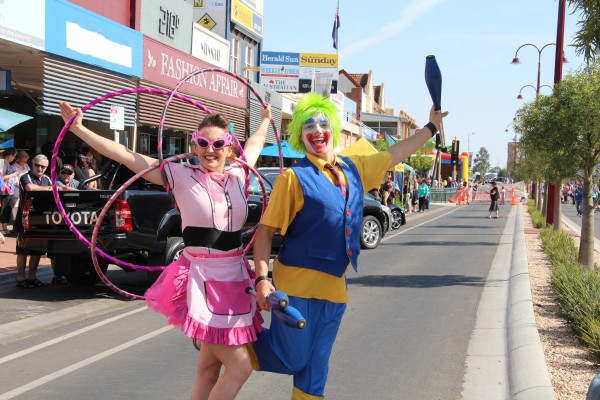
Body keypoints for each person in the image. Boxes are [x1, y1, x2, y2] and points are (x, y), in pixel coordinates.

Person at [60, 100, 271, 399]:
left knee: (209, 371)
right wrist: (79, 129)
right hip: (203, 278)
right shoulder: (179, 174)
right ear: (194, 145)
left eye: (217, 143)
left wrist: (265, 120)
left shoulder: (240, 172)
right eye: (203, 143)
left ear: (229, 147)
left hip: (236, 278)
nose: (210, 150)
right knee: (240, 368)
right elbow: (124, 154)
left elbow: (255, 143)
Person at [249, 93, 447, 399]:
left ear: (333, 129)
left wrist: (430, 128)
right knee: (292, 359)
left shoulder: (354, 168)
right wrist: (262, 279)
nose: (317, 130)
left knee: (316, 369)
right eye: (308, 126)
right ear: (301, 134)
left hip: (335, 288)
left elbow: (395, 153)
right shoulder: (293, 178)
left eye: (322, 124)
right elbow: (264, 233)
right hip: (297, 285)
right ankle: (227, 340)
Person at [15, 154, 74, 288]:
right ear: (32, 164)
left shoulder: (47, 179)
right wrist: (50, 189)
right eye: (37, 165)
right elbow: (30, 188)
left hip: (40, 220)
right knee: (22, 250)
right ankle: (21, 279)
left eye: (43, 167)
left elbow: (60, 189)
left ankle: (32, 277)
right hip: (25, 219)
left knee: (37, 250)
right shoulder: (26, 177)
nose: (40, 168)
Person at [0, 148, 19, 235]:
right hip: (4, 191)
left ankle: (5, 227)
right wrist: (14, 174)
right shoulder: (3, 163)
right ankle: (2, 228)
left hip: (10, 190)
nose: (14, 158)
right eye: (14, 156)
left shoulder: (8, 164)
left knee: (8, 209)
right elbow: (2, 177)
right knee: (3, 209)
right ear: (10, 155)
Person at [11, 151, 30, 223]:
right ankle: (15, 222)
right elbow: (14, 181)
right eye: (23, 161)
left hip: (25, 190)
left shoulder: (26, 166)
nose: (24, 162)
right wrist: (24, 186)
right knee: (15, 207)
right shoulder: (13, 167)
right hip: (17, 190)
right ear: (18, 159)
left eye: (25, 161)